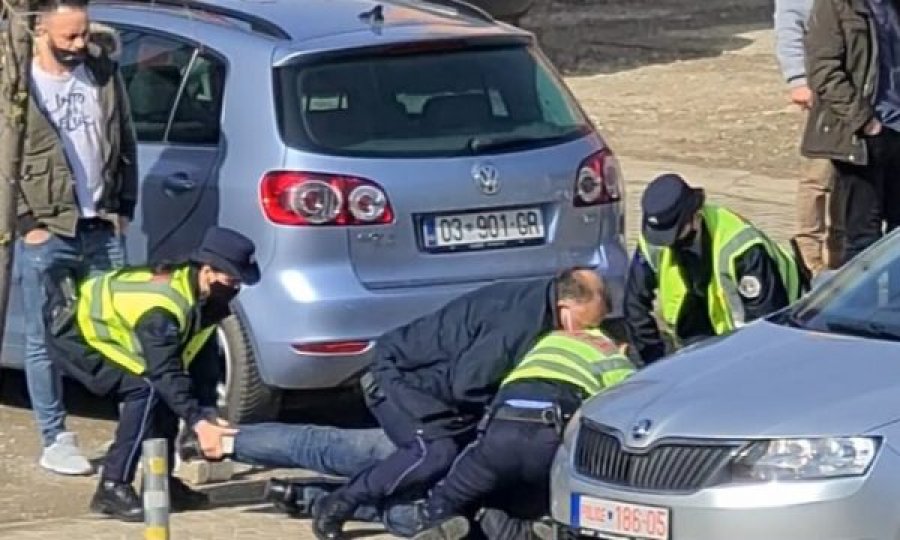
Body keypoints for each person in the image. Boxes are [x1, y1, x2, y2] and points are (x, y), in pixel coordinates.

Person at [180, 326, 633, 539]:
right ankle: (306, 497)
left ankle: (231, 442)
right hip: (466, 453)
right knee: (415, 513)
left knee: (335, 448)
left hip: (453, 438)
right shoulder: (616, 367)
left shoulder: (543, 343)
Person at [311, 267, 608, 539]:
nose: (588, 335)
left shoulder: (540, 307)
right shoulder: (518, 323)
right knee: (435, 453)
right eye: (587, 325)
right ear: (565, 309)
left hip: (441, 391)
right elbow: (470, 384)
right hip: (400, 377)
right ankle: (336, 504)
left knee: (478, 464)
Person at [42, 227, 258, 521]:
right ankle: (112, 486)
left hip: (118, 336)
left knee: (166, 393)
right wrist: (196, 421)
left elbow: (201, 360)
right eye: (231, 280)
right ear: (207, 271)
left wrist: (205, 410)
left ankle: (161, 483)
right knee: (145, 389)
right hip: (80, 335)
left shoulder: (203, 300)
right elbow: (164, 371)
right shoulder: (163, 307)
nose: (235, 288)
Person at [13, 0, 137, 475]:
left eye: (83, 34)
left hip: (101, 224)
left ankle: (133, 426)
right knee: (44, 335)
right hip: (48, 228)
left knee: (118, 328)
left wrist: (123, 208)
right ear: (41, 31)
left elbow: (124, 138)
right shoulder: (18, 85)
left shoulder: (102, 72)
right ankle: (54, 435)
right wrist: (30, 225)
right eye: (69, 37)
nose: (80, 45)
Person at [411, 328, 636, 540]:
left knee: (460, 495)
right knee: (575, 504)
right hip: (551, 437)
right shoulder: (614, 357)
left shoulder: (550, 339)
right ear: (623, 346)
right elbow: (631, 410)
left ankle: (443, 519)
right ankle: (553, 531)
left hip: (500, 431)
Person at [624, 173, 805, 365]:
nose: (669, 244)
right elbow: (635, 306)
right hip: (696, 328)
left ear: (695, 216)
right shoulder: (655, 241)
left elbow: (764, 325)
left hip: (780, 325)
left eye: (674, 234)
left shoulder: (741, 247)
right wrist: (656, 361)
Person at [802, 0, 900, 265]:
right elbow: (823, 70)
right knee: (863, 237)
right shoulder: (836, 6)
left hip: (897, 128)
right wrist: (865, 121)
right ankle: (864, 304)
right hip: (861, 137)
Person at [775, 0, 844, 274]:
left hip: (855, 89)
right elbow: (789, 29)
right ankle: (809, 257)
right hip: (822, 89)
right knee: (819, 175)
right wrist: (798, 80)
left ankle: (839, 254)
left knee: (848, 175)